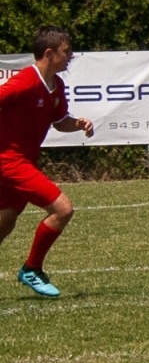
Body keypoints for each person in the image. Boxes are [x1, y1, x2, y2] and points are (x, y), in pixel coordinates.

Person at [0, 27, 95, 298]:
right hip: (9, 162)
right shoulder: (25, 81)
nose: (71, 56)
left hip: (22, 160)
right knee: (63, 209)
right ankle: (32, 268)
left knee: (5, 220)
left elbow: (59, 121)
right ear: (50, 53)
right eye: (67, 51)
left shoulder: (56, 85)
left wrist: (78, 123)